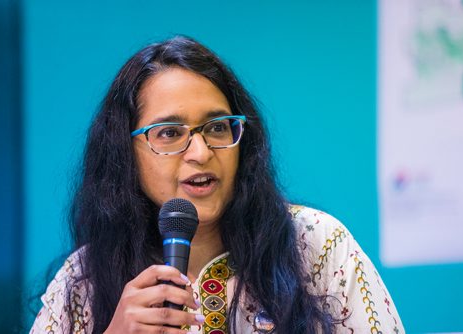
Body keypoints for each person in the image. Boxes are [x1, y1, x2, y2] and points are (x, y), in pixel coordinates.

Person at [30, 36, 404, 334]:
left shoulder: (317, 245)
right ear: (125, 151)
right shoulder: (84, 280)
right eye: (170, 133)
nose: (201, 151)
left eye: (217, 127)